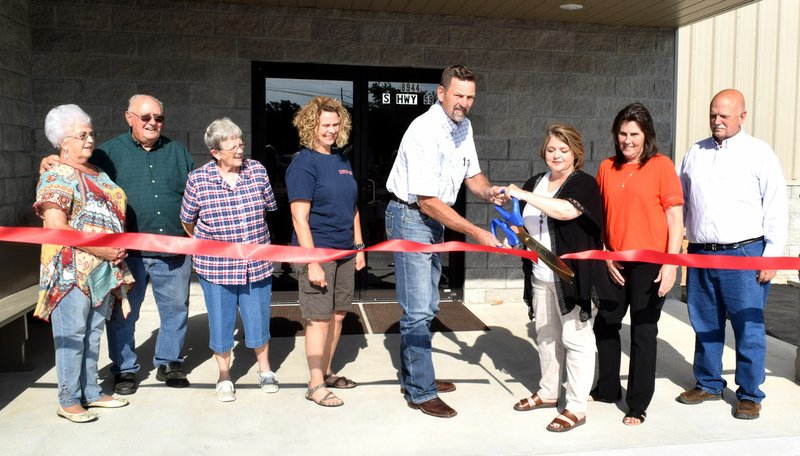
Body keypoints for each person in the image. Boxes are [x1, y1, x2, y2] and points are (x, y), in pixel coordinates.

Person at [40, 94, 195, 395]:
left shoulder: (178, 152)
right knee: (124, 314)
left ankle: (169, 362)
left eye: (159, 118)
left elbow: (196, 191)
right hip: (127, 253)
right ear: (129, 118)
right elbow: (70, 165)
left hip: (172, 251)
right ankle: (125, 369)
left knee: (176, 308)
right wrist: (48, 160)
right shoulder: (107, 153)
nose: (153, 123)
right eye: (146, 117)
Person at [385, 64, 507, 418]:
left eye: (470, 97)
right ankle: (421, 392)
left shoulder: (463, 127)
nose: (464, 103)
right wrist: (477, 232)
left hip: (432, 221)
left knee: (429, 306)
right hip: (411, 217)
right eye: (458, 95)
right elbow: (427, 200)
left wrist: (490, 193)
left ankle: (418, 376)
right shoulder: (424, 130)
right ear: (441, 93)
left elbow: (474, 174)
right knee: (418, 311)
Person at [678, 89, 788, 420]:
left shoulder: (759, 154)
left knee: (747, 326)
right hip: (700, 254)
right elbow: (683, 202)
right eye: (713, 114)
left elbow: (776, 206)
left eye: (725, 115)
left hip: (745, 254)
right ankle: (709, 383)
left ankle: (750, 393)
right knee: (705, 322)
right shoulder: (695, 152)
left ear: (742, 116)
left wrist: (771, 255)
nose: (717, 120)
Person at [34, 104, 134, 423]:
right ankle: (68, 398)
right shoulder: (57, 173)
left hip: (101, 273)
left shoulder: (96, 172)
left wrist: (111, 254)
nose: (90, 139)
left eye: (91, 133)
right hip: (71, 272)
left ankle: (91, 392)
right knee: (72, 334)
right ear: (64, 142)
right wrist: (104, 250)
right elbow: (55, 227)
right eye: (82, 135)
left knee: (92, 333)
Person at [505, 124, 606, 433]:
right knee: (546, 336)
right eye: (551, 149)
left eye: (564, 149)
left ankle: (576, 406)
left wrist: (521, 195)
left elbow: (565, 212)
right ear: (543, 152)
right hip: (539, 275)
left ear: (576, 153)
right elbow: (521, 229)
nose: (557, 155)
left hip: (571, 278)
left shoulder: (584, 184)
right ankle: (549, 392)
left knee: (576, 340)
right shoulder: (535, 182)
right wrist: (509, 231)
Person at [592, 102, 684, 426]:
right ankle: (607, 388)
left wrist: (670, 263)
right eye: (622, 133)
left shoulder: (661, 166)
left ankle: (637, 404)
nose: (627, 140)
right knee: (605, 323)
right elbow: (601, 216)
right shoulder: (606, 167)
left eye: (634, 134)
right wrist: (604, 253)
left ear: (647, 136)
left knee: (643, 332)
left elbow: (675, 216)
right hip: (614, 261)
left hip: (650, 263)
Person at [180, 118, 279, 402]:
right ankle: (224, 375)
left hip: (257, 263)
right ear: (215, 152)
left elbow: (270, 207)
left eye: (241, 141)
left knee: (258, 318)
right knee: (221, 322)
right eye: (232, 144)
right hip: (216, 267)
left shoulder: (257, 170)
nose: (239, 148)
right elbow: (188, 222)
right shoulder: (198, 179)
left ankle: (265, 369)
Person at [286, 97, 365, 407]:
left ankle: (327, 371)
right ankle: (315, 384)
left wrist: (359, 247)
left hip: (345, 251)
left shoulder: (341, 161)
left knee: (338, 314)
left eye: (336, 124)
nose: (331, 130)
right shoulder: (303, 163)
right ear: (311, 127)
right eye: (325, 125)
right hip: (317, 251)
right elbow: (298, 218)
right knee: (318, 319)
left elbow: (353, 207)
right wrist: (313, 261)